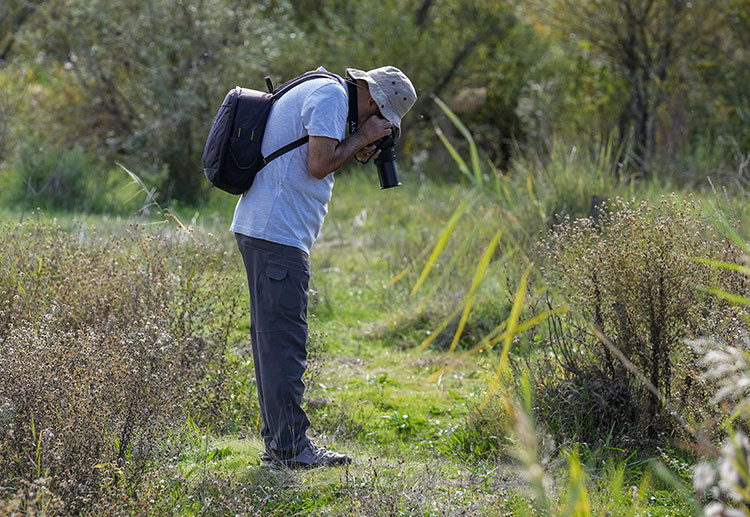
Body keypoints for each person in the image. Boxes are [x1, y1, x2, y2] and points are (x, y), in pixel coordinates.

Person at [231, 65, 417, 469]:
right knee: (284, 345)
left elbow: (312, 159)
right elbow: (318, 164)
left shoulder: (327, 93)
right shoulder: (333, 97)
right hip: (276, 234)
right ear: (372, 99)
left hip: (267, 230)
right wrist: (363, 136)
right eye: (381, 117)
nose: (380, 125)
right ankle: (292, 450)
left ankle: (281, 446)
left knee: (273, 344)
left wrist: (357, 141)